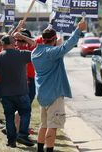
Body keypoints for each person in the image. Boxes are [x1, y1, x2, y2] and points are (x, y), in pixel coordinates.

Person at [32, 19, 86, 152]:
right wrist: (78, 30)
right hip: (54, 95)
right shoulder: (52, 53)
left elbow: (57, 48)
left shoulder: (35, 53)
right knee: (53, 126)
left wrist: (57, 43)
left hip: (42, 95)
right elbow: (66, 46)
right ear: (54, 39)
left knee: (43, 125)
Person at [0, 35, 34, 148]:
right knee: (25, 113)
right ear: (12, 43)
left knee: (9, 117)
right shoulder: (22, 54)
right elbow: (35, 46)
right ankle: (22, 135)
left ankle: (11, 141)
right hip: (21, 91)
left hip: (6, 93)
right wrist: (23, 37)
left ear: (3, 45)